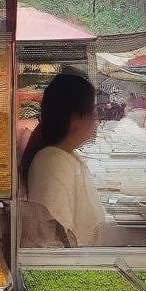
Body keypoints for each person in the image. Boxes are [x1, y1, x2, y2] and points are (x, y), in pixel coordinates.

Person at [20, 69, 103, 247]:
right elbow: (57, 235)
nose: (96, 120)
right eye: (92, 112)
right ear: (76, 118)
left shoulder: (64, 156)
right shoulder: (53, 162)